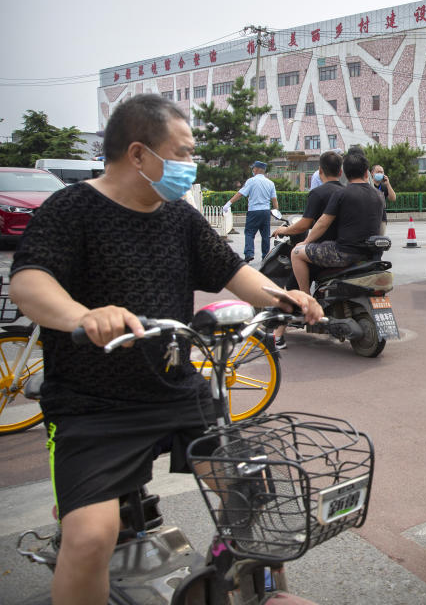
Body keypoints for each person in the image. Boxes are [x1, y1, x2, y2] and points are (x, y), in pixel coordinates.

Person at [8, 94, 322, 605]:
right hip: (94, 404)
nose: (188, 165)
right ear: (138, 154)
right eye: (181, 152)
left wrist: (287, 298)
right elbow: (29, 282)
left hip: (179, 391)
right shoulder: (71, 208)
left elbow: (234, 272)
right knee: (90, 536)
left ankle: (241, 589)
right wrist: (83, 316)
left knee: (252, 489)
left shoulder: (178, 215)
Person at [271, 150, 344, 349]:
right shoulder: (345, 192)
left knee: (290, 287)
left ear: (320, 170)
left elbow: (304, 224)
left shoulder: (318, 193)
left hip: (320, 253)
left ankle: (278, 334)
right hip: (343, 250)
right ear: (340, 171)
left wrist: (284, 230)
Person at [291, 150, 384, 291]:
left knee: (296, 253)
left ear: (344, 173)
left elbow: (322, 223)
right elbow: (381, 227)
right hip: (369, 254)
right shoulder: (379, 195)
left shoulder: (341, 193)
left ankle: (306, 297)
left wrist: (305, 242)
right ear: (366, 173)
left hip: (343, 254)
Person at [223, 160, 279, 263]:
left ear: (257, 169)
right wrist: (276, 212)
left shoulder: (251, 181)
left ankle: (249, 254)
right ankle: (265, 256)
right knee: (266, 235)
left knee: (249, 233)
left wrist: (229, 203)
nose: (253, 170)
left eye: (253, 168)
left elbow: (240, 193)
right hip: (266, 212)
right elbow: (274, 199)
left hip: (254, 211)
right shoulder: (270, 183)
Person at [371, 164, 396, 234]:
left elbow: (393, 198)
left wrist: (388, 184)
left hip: (382, 218)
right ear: (372, 173)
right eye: (378, 172)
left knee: (380, 240)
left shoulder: (384, 186)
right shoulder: (368, 185)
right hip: (369, 217)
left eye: (382, 172)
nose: (380, 173)